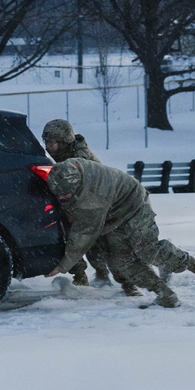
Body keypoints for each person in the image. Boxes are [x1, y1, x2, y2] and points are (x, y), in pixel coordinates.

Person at [44, 158, 195, 308]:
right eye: (58, 195)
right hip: (112, 216)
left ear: (78, 185)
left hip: (134, 206)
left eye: (66, 195)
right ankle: (165, 294)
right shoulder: (67, 171)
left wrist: (63, 265)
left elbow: (83, 234)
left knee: (148, 250)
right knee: (122, 262)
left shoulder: (92, 197)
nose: (61, 199)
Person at [42, 119, 138, 295]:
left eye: (52, 142)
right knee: (79, 242)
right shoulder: (60, 155)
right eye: (46, 141)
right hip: (79, 206)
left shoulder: (81, 159)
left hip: (99, 207)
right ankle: (90, 277)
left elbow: (91, 192)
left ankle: (128, 284)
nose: (48, 146)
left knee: (106, 246)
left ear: (64, 141)